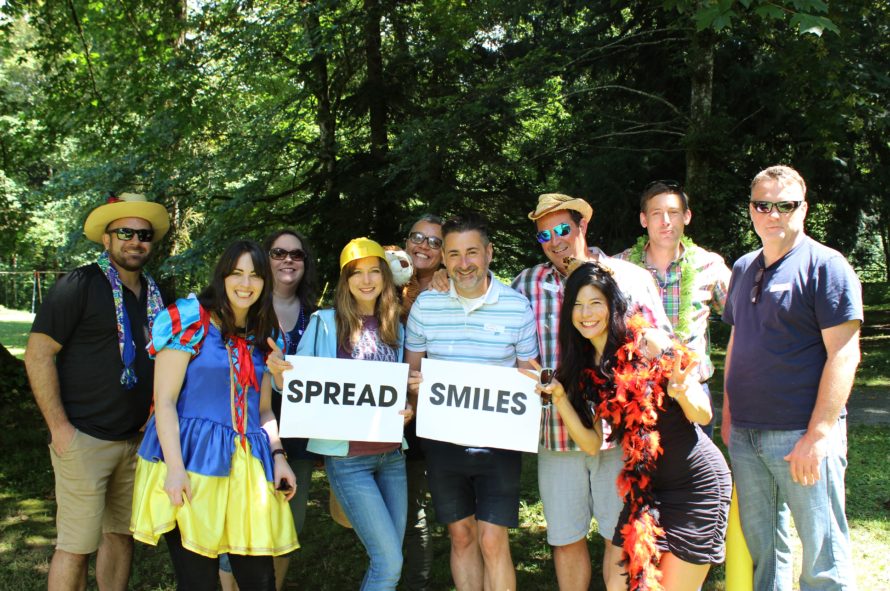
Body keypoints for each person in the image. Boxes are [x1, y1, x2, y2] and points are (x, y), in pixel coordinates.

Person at [530, 260, 731, 591]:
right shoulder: (585, 369)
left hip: (697, 486)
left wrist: (680, 393)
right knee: (619, 585)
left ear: (612, 304)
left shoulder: (647, 342)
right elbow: (593, 444)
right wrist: (561, 399)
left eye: (595, 302)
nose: (586, 313)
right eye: (577, 305)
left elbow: (704, 414)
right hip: (646, 491)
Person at [511, 193, 670, 590]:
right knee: (565, 540)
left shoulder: (628, 277)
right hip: (556, 435)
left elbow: (659, 342)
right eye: (544, 234)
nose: (555, 239)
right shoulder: (526, 283)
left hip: (618, 435)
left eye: (563, 228)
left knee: (617, 539)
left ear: (583, 226)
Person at [721, 165, 862, 590]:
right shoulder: (744, 267)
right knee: (766, 554)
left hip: (801, 436)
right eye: (763, 205)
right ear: (751, 210)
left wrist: (819, 434)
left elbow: (844, 353)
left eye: (785, 205)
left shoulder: (826, 266)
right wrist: (729, 416)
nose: (773, 214)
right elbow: (735, 344)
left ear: (804, 208)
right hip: (746, 435)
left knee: (823, 556)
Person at [130, 240, 298, 591]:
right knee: (199, 583)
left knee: (260, 581)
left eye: (255, 275)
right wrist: (175, 470)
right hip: (192, 462)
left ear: (265, 282)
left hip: (249, 470)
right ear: (222, 277)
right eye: (237, 273)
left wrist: (279, 457)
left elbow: (264, 409)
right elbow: (164, 402)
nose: (246, 283)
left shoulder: (264, 334)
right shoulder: (189, 322)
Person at [24, 192, 169, 591]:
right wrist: (60, 429)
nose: (135, 241)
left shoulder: (154, 296)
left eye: (144, 234)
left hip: (134, 441)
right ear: (106, 239)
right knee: (76, 547)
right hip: (83, 438)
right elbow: (37, 355)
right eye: (125, 231)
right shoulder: (80, 284)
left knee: (120, 537)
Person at [406, 212, 538, 591]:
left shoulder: (516, 306)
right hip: (442, 440)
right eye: (454, 254)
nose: (464, 264)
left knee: (493, 539)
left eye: (472, 253)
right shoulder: (426, 307)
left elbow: (527, 377)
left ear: (489, 253)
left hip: (498, 441)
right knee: (461, 535)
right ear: (444, 259)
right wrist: (414, 388)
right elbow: (411, 373)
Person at [297, 237, 418, 591]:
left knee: (390, 558)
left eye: (373, 272)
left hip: (391, 455)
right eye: (356, 274)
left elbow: (397, 391)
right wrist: (279, 377)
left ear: (384, 276)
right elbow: (296, 386)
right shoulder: (324, 323)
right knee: (389, 562)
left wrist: (407, 407)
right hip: (349, 459)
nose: (366, 281)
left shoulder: (396, 326)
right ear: (345, 281)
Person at [218, 229, 320, 591]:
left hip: (299, 437)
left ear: (305, 263)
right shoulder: (245, 313)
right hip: (246, 430)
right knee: (238, 525)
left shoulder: (318, 317)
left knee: (287, 525)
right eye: (278, 253)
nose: (288, 260)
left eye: (297, 254)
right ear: (266, 260)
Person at [614, 180, 731, 437]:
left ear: (687, 217)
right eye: (656, 213)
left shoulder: (709, 265)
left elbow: (743, 319)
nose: (665, 221)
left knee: (696, 473)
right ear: (644, 220)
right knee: (641, 474)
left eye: (673, 212)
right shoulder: (620, 267)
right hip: (638, 396)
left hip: (693, 392)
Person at [400, 215, 444, 590]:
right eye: (418, 238)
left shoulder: (448, 288)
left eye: (434, 242)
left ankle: (418, 582)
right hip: (381, 406)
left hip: (431, 409)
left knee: (416, 504)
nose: (424, 246)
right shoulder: (386, 277)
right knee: (394, 503)